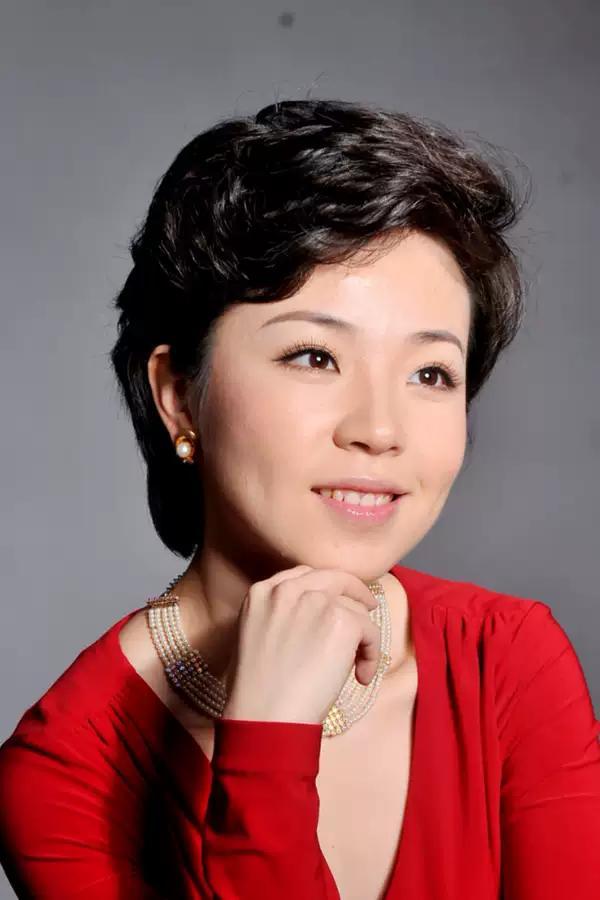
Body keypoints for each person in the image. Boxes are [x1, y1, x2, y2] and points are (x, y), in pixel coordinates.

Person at [0, 98, 599, 900]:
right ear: (179, 396)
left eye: (431, 373)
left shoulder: (508, 660)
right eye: (315, 356)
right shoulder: (66, 775)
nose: (380, 430)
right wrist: (269, 738)